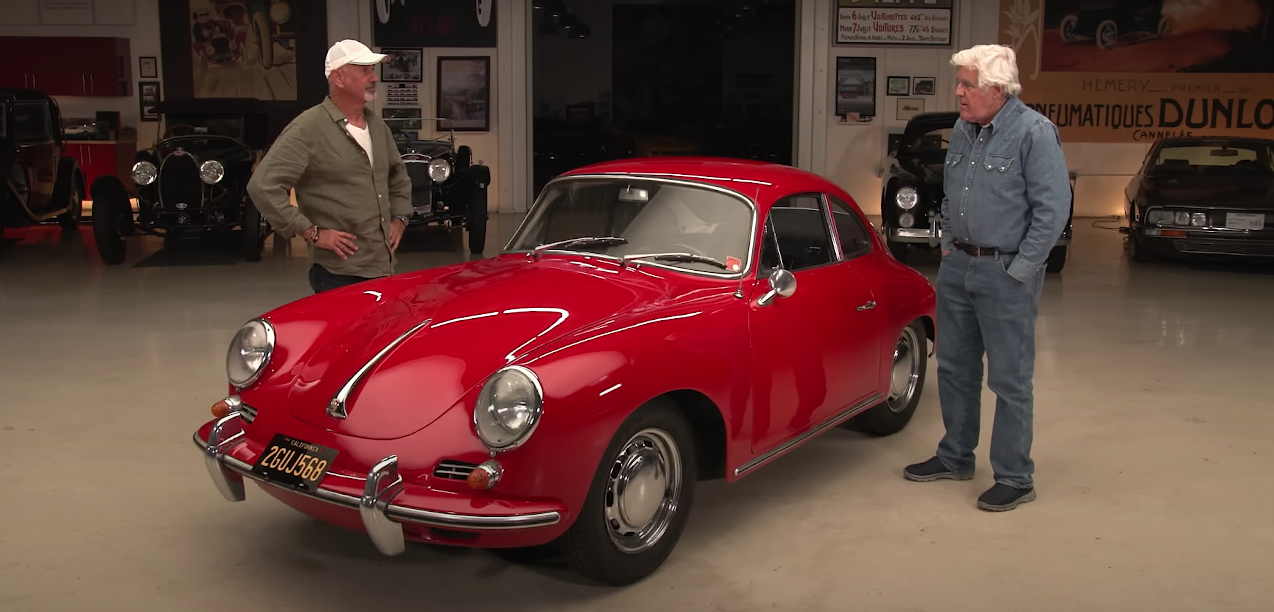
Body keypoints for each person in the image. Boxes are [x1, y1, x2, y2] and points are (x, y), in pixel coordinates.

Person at [902, 44, 1070, 512]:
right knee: (954, 367)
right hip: (960, 266)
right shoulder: (963, 128)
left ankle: (1015, 477)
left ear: (997, 89)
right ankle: (955, 456)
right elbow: (953, 191)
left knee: (1009, 380)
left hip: (1005, 271)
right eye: (960, 83)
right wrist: (951, 244)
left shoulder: (1034, 133)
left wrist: (1020, 269)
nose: (959, 92)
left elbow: (1053, 211)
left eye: (967, 84)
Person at [247, 39, 413, 294]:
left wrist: (400, 218)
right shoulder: (307, 129)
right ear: (338, 77)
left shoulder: (378, 127)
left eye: (373, 70)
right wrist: (312, 233)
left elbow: (397, 177)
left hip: (382, 266)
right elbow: (263, 186)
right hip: (338, 273)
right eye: (364, 70)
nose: (374, 78)